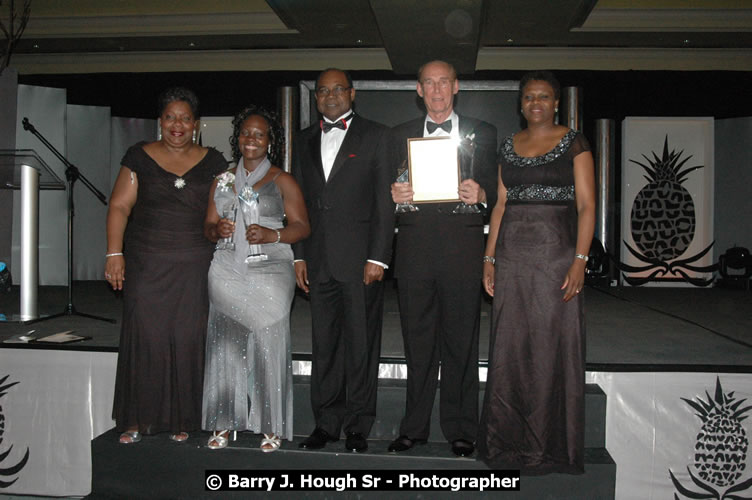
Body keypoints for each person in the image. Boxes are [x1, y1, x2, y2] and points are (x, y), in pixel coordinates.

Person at [477, 70, 595, 474]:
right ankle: (506, 444)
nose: (536, 103)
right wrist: (489, 257)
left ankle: (548, 447)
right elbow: (500, 204)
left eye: (544, 97)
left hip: (556, 255)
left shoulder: (574, 142)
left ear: (556, 102)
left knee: (549, 346)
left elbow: (587, 207)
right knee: (509, 348)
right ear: (521, 103)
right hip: (512, 256)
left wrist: (580, 260)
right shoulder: (508, 146)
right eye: (529, 97)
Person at [106, 87, 227, 444]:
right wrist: (115, 253)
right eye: (171, 117)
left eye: (185, 118)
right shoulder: (138, 157)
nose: (178, 124)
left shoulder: (214, 161)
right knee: (146, 335)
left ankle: (184, 419)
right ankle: (135, 419)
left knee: (189, 338)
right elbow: (119, 207)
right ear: (160, 121)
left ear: (196, 123)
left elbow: (223, 210)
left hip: (195, 264)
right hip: (147, 263)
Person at [389, 60, 497, 457]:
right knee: (417, 345)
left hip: (462, 251)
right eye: (429, 83)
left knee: (461, 344)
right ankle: (413, 428)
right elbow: (387, 190)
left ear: (456, 88)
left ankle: (461, 429)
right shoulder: (398, 135)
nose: (436, 90)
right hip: (415, 251)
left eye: (444, 83)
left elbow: (499, 193)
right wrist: (394, 195)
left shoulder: (483, 133)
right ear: (418, 90)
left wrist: (482, 194)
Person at [292, 68, 394, 453]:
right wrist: (298, 256)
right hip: (317, 260)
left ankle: (357, 426)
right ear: (316, 98)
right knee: (325, 346)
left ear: (352, 94)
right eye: (323, 91)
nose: (331, 96)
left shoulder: (377, 135)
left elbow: (385, 203)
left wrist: (378, 257)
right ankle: (326, 423)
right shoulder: (303, 140)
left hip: (360, 260)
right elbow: (296, 204)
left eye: (338, 90)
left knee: (361, 345)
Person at [201, 105, 310, 452]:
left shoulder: (282, 180)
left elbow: (302, 227)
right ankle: (223, 420)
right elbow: (207, 226)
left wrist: (272, 234)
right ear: (238, 138)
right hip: (227, 267)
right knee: (225, 343)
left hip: (272, 267)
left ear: (270, 141)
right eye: (246, 132)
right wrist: (216, 228)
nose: (251, 139)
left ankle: (270, 425)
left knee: (268, 344)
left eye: (259, 134)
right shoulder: (223, 180)